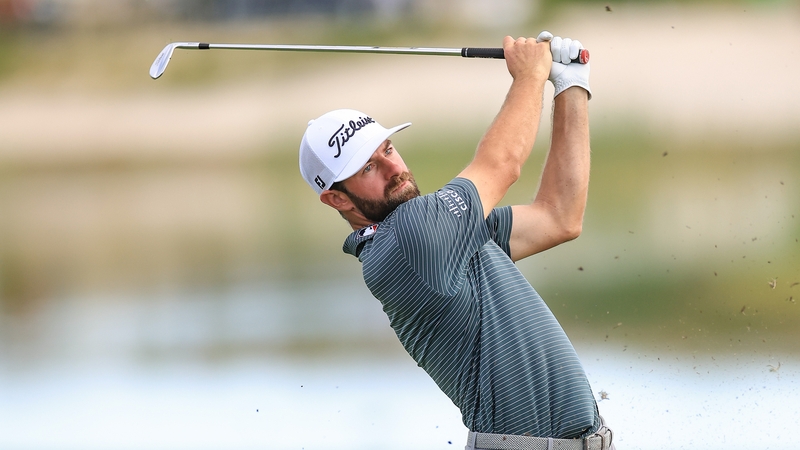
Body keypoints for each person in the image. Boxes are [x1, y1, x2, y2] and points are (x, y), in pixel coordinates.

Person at [298, 32, 615, 450]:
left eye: (388, 149)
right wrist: (529, 75)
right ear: (337, 199)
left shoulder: (442, 236)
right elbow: (502, 164)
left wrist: (571, 85)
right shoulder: (409, 238)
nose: (393, 169)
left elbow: (559, 217)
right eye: (368, 168)